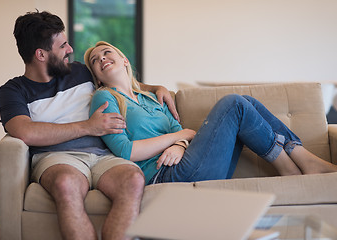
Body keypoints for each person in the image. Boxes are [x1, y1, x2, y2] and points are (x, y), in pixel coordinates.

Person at [0, 11, 178, 240]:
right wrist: (88, 127)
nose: (70, 50)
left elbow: (122, 80)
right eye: (63, 46)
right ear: (41, 54)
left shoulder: (81, 72)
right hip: (57, 158)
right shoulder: (13, 90)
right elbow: (24, 131)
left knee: (133, 180)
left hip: (105, 155)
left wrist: (155, 88)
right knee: (66, 184)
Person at [85, 41, 337, 185]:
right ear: (96, 76)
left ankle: (299, 161)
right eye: (95, 60)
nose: (102, 58)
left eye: (107, 52)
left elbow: (178, 132)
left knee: (245, 102)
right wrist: (180, 136)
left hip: (188, 164)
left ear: (125, 60)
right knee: (234, 104)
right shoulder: (104, 98)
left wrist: (180, 144)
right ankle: (295, 169)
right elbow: (126, 151)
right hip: (166, 175)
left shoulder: (151, 97)